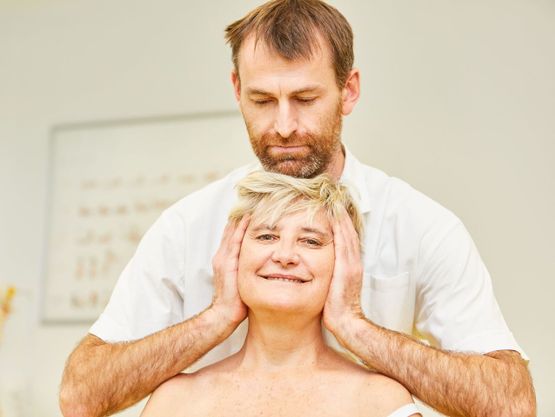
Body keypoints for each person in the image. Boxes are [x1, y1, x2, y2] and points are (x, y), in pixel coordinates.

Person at [60, 1, 535, 417]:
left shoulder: (420, 227)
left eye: (305, 99)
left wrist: (355, 327)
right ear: (236, 89)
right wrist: (216, 317)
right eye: (262, 100)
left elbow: (511, 405)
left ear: (348, 90)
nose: (283, 126)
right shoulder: (187, 226)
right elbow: (81, 396)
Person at [140, 171, 421, 417]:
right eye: (266, 237)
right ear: (232, 256)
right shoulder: (174, 403)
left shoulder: (381, 402)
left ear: (344, 267)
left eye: (310, 241)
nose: (285, 255)